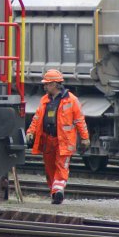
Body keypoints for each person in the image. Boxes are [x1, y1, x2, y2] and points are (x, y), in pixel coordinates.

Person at [25, 69, 90, 205]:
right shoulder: (44, 101)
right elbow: (37, 118)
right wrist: (30, 132)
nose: (45, 87)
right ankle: (55, 192)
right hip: (48, 140)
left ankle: (59, 191)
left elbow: (80, 121)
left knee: (62, 166)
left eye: (47, 84)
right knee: (50, 168)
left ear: (55, 84)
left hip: (65, 141)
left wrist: (85, 138)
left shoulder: (72, 100)